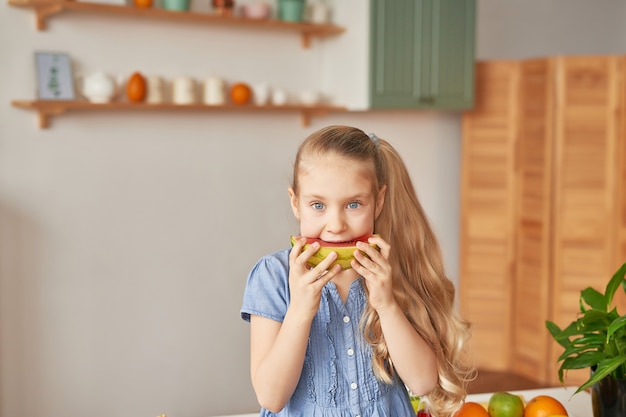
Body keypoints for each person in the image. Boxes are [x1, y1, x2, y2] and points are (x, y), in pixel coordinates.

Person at [240, 125, 474, 417]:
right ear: (295, 203)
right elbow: (271, 397)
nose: (336, 224)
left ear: (378, 202)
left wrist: (386, 305)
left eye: (353, 204)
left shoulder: (388, 272)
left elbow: (423, 382)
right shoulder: (273, 276)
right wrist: (300, 309)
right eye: (318, 205)